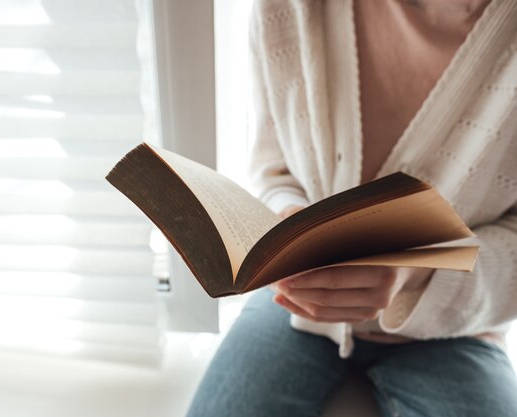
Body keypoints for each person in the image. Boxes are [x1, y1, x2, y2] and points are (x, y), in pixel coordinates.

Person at [186, 0, 517, 416]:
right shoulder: (285, 9)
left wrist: (417, 272)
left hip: (456, 329)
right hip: (294, 309)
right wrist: (288, 223)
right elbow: (275, 172)